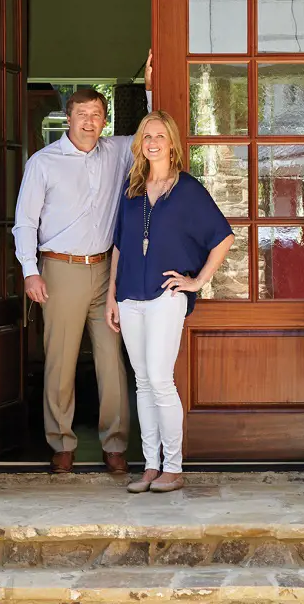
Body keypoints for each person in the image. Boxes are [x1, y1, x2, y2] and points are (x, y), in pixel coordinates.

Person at [13, 53, 152, 475]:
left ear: (105, 120)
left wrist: (150, 87)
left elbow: (152, 135)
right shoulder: (43, 163)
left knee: (112, 361)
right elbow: (25, 222)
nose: (90, 121)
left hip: (107, 273)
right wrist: (29, 270)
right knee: (60, 361)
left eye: (97, 114)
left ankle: (115, 445)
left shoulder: (116, 152)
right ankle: (62, 443)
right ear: (67, 118)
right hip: (61, 270)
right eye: (82, 114)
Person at [105, 111, 234, 493]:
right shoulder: (131, 191)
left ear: (172, 143)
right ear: (139, 145)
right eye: (147, 137)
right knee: (143, 382)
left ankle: (173, 468)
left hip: (166, 296)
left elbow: (223, 238)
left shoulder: (188, 189)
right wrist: (111, 294)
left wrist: (197, 281)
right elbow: (118, 246)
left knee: (161, 380)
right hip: (129, 296)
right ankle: (149, 466)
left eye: (160, 136)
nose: (153, 142)